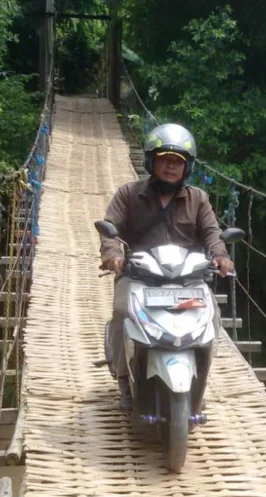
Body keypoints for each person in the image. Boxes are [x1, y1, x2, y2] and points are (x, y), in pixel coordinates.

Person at [98, 122, 234, 409]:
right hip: (140, 275)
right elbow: (110, 227)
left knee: (213, 317)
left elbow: (212, 232)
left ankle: (199, 382)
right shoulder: (128, 194)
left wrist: (220, 255)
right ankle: (124, 379)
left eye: (177, 162)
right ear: (151, 161)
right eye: (164, 160)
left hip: (187, 278)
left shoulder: (198, 199)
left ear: (187, 168)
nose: (170, 167)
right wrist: (113, 253)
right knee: (122, 311)